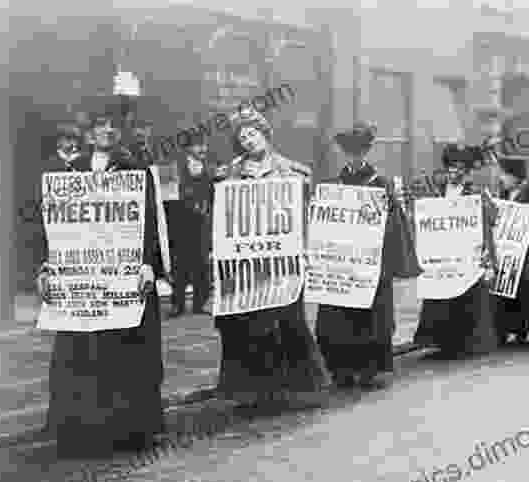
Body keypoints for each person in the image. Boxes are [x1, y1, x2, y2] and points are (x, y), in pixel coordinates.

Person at [36, 112, 165, 457]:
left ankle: (129, 429)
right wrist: (46, 266)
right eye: (98, 126)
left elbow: (150, 221)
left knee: (127, 353)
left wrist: (149, 265)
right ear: (89, 133)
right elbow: (53, 223)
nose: (106, 131)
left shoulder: (134, 169)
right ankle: (82, 429)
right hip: (83, 279)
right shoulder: (71, 170)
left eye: (111, 126)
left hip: (123, 278)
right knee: (82, 352)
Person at [213, 106, 331, 407]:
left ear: (265, 134)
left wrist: (306, 249)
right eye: (242, 137)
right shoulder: (228, 174)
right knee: (245, 321)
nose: (249, 140)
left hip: (284, 259)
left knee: (288, 319)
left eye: (253, 133)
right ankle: (251, 389)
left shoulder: (294, 172)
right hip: (245, 262)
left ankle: (299, 387)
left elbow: (307, 215)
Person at [314, 122, 421, 389]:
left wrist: (386, 262)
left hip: (372, 265)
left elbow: (396, 226)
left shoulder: (381, 186)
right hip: (341, 265)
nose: (355, 158)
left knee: (370, 319)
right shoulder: (333, 187)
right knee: (338, 318)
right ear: (345, 155)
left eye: (359, 153)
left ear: (366, 153)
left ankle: (368, 368)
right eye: (350, 153)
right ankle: (341, 368)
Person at [412, 143, 500, 356]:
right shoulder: (437, 191)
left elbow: (493, 216)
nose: (454, 172)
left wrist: (484, 206)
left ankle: (467, 341)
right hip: (443, 253)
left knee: (468, 294)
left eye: (460, 167)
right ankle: (442, 340)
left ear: (467, 170)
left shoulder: (476, 192)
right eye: (451, 167)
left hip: (467, 253)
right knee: (442, 295)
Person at [493, 157, 529, 345]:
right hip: (504, 251)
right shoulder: (501, 196)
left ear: (516, 178)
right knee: (501, 290)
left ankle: (520, 328)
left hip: (523, 253)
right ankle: (502, 328)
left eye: (505, 175)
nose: (501, 178)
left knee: (520, 291)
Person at [168, 135, 214, 317]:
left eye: (205, 145)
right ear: (188, 149)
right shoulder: (177, 168)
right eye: (198, 145)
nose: (203, 149)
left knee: (202, 266)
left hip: (202, 224)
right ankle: (177, 304)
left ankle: (199, 305)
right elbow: (170, 195)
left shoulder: (210, 168)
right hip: (181, 224)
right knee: (180, 266)